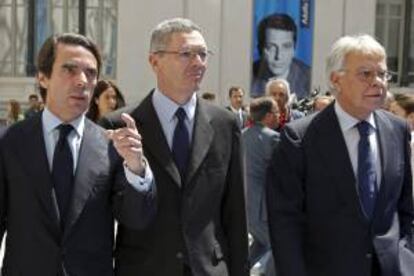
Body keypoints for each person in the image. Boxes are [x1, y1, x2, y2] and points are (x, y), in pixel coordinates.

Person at [100, 18, 249, 276]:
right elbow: (107, 214)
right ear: (154, 61)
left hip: (209, 269)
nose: (198, 62)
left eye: (203, 54)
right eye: (186, 54)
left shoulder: (225, 124)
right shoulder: (120, 126)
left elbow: (235, 213)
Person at [0, 33, 156, 276]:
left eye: (91, 73)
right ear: (42, 77)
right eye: (69, 70)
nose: (82, 81)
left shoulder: (110, 144)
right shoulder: (10, 142)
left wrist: (136, 167)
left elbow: (137, 219)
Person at [266, 34, 414, 276]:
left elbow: (405, 207)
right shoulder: (300, 138)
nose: (378, 82)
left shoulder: (397, 130)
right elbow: (285, 224)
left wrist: (407, 260)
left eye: (383, 74)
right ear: (336, 79)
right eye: (365, 74)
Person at [242, 97, 279, 276]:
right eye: (277, 112)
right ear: (268, 115)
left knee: (260, 244)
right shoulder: (272, 138)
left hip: (246, 205)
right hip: (263, 208)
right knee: (278, 245)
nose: (279, 116)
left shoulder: (242, 134)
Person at [252, 13, 310, 99]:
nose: (278, 56)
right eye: (271, 47)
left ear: (294, 49)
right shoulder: (249, 76)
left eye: (286, 47)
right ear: (260, 49)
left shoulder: (308, 78)